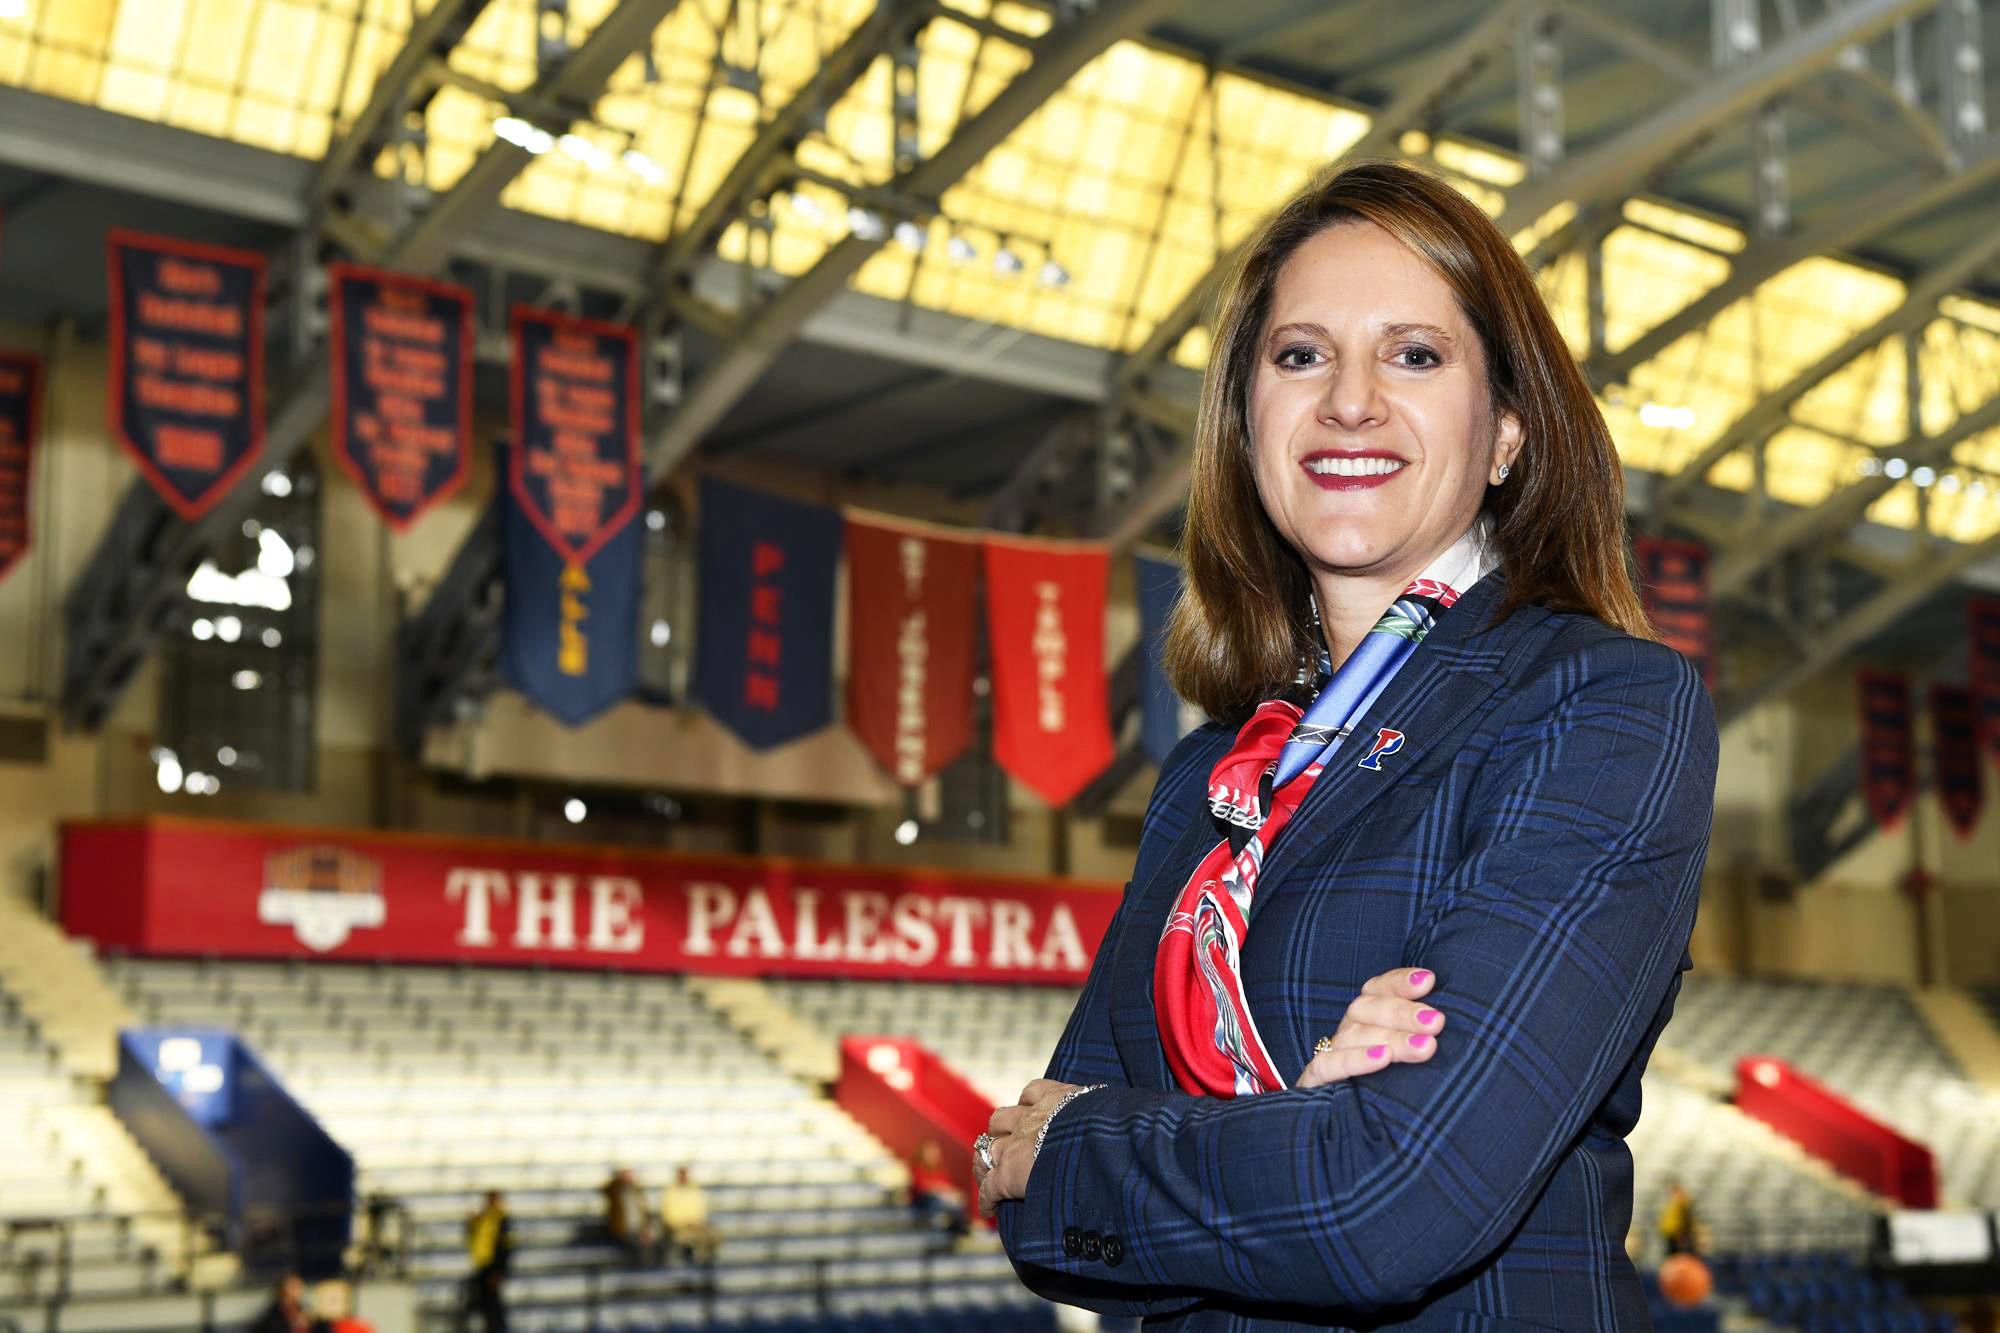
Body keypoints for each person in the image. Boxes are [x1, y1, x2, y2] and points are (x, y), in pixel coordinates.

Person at [974, 161, 1717, 1329]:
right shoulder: (1208, 780)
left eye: (1413, 355)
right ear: (1246, 421)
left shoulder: (1599, 707)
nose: (1348, 401)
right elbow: (1026, 1209)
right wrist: (1288, 1133)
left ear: (1506, 435)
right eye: (1299, 355)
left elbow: (1386, 1204)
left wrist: (1109, 1143)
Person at [460, 1190, 510, 1333]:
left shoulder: (501, 1218)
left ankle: (497, 1328)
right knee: (485, 1302)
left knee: (493, 1303)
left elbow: (505, 1246)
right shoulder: (484, 1217)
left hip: (493, 1267)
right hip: (483, 1264)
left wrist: (500, 1270)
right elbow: (475, 1237)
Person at [905, 1139, 970, 1245]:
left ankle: (957, 1230)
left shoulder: (940, 1170)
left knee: (958, 1202)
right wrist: (939, 1188)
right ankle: (937, 1229)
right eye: (929, 1152)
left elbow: (948, 1187)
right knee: (934, 1200)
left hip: (941, 1201)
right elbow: (921, 1187)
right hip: (923, 1203)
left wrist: (955, 1194)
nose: (933, 1155)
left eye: (935, 1152)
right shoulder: (917, 1168)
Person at [660, 1165, 719, 1265]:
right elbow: (668, 1215)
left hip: (696, 1225)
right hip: (679, 1227)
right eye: (682, 1175)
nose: (684, 1177)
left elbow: (701, 1209)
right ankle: (690, 1263)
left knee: (714, 1236)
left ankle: (706, 1262)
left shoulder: (694, 1190)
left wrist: (698, 1222)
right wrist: (685, 1222)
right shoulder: (670, 1192)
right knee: (687, 1239)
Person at [601, 1166, 654, 1265]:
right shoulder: (616, 1192)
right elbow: (607, 1189)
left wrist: (645, 1229)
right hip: (622, 1231)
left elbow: (644, 1212)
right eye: (626, 1175)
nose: (629, 1178)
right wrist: (618, 1180)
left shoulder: (637, 1192)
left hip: (638, 1230)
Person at [248, 1273, 320, 1333]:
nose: (298, 1291)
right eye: (293, 1287)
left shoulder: (302, 1309)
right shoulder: (273, 1315)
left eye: (299, 1287)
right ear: (283, 1289)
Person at [1660, 1180, 1701, 1256]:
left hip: (1685, 1242)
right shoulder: (1670, 1209)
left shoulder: (1686, 1207)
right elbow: (1667, 1229)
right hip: (1674, 1243)